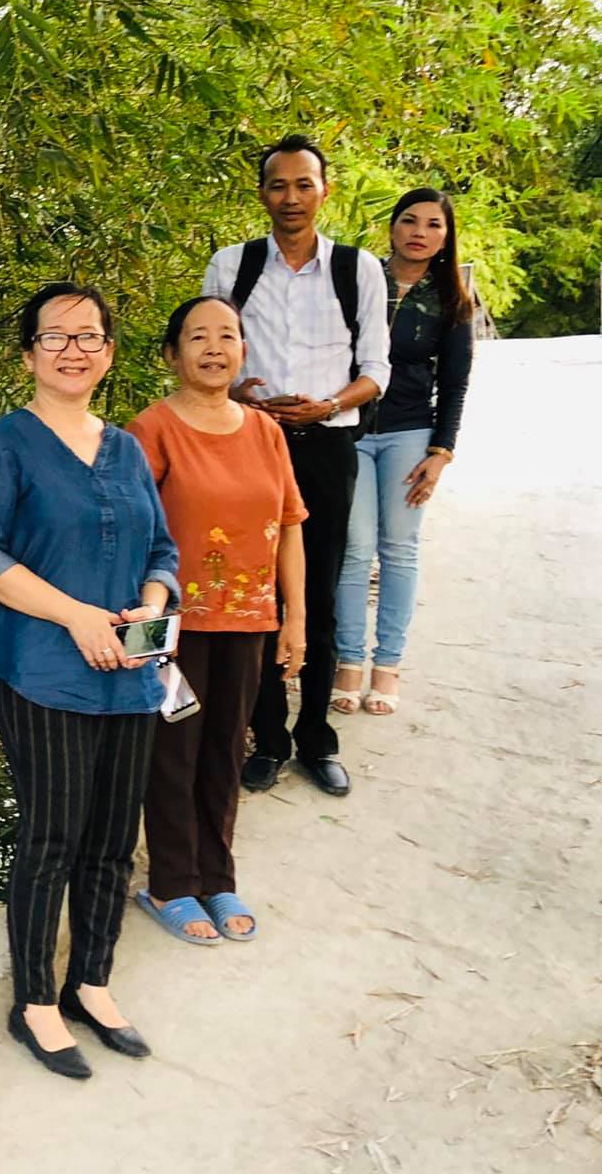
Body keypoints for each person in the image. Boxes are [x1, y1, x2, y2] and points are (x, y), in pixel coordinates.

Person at [0, 282, 179, 1080]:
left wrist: (151, 605)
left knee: (113, 842)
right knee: (51, 837)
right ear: (28, 355)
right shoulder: (6, 446)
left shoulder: (126, 449)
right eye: (55, 336)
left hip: (132, 675)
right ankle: (35, 1000)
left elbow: (163, 550)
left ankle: (92, 981)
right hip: (43, 671)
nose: (73, 350)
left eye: (89, 336)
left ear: (110, 353)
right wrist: (76, 616)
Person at [203, 134, 389, 797]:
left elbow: (377, 369)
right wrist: (240, 393)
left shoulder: (358, 270)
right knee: (258, 594)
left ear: (324, 192)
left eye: (303, 184)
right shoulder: (232, 266)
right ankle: (268, 738)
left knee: (321, 594)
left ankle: (316, 738)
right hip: (252, 443)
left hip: (328, 446)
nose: (291, 197)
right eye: (278, 185)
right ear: (262, 194)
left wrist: (329, 405)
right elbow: (208, 354)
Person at [127, 297, 308, 946]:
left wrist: (295, 619)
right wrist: (138, 632)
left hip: (249, 620)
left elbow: (289, 525)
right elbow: (129, 535)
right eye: (197, 337)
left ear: (243, 351)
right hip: (170, 625)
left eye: (227, 335)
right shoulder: (150, 429)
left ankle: (217, 876)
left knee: (227, 749)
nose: (214, 348)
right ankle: (171, 883)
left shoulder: (266, 431)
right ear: (171, 354)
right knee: (171, 752)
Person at [333, 189, 474, 717]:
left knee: (398, 547)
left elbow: (455, 384)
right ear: (392, 226)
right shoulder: (360, 279)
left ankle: (387, 665)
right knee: (355, 547)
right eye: (409, 220)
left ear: (446, 236)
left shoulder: (451, 299)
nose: (419, 232)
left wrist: (442, 451)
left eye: (433, 224)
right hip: (348, 428)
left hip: (410, 433)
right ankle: (349, 660)